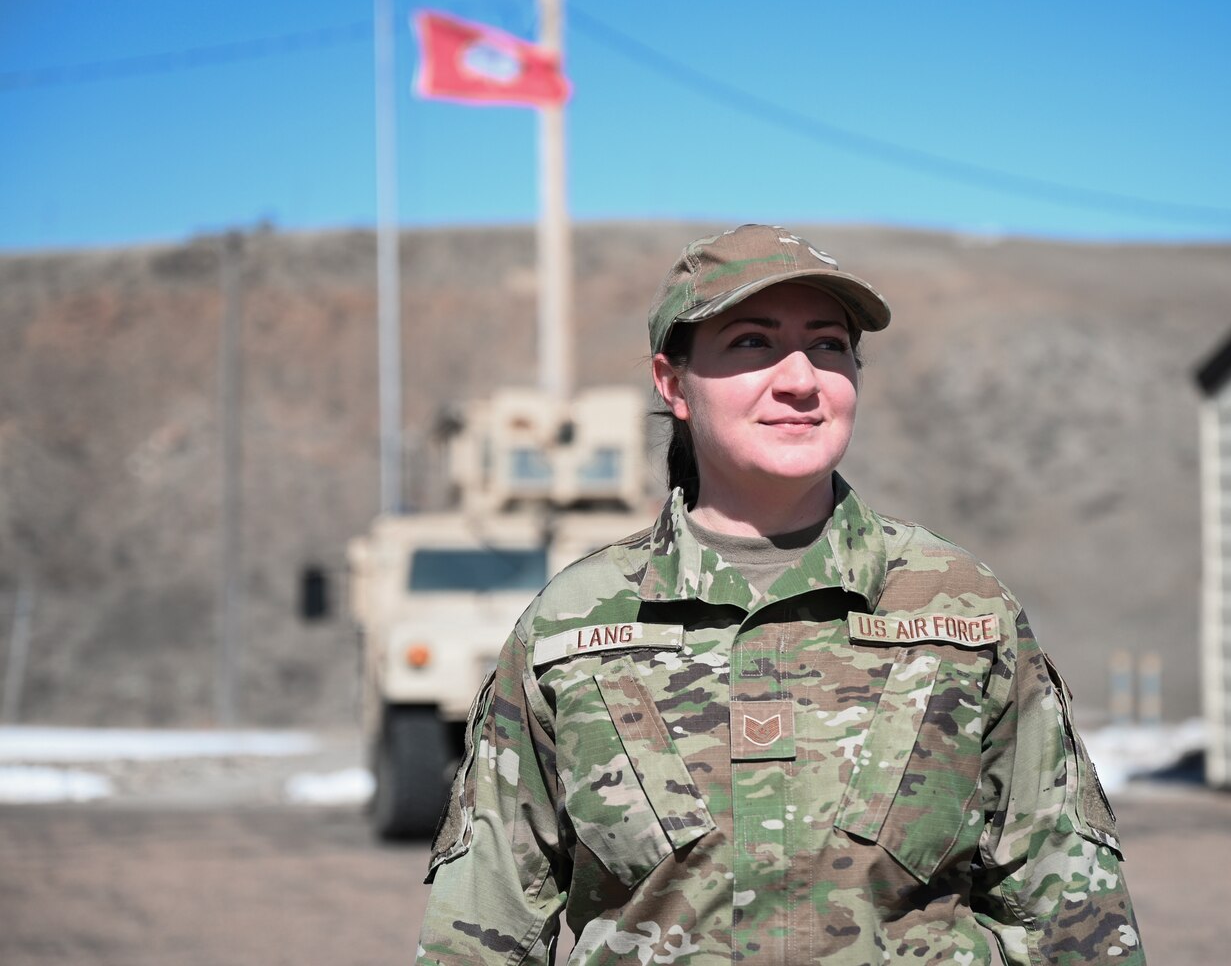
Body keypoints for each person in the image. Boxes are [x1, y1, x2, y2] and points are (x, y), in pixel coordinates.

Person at [415, 224, 1145, 965]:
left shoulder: (958, 608)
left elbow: (1066, 911)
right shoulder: (573, 625)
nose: (801, 379)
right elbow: (483, 928)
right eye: (751, 343)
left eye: (829, 345)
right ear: (673, 385)